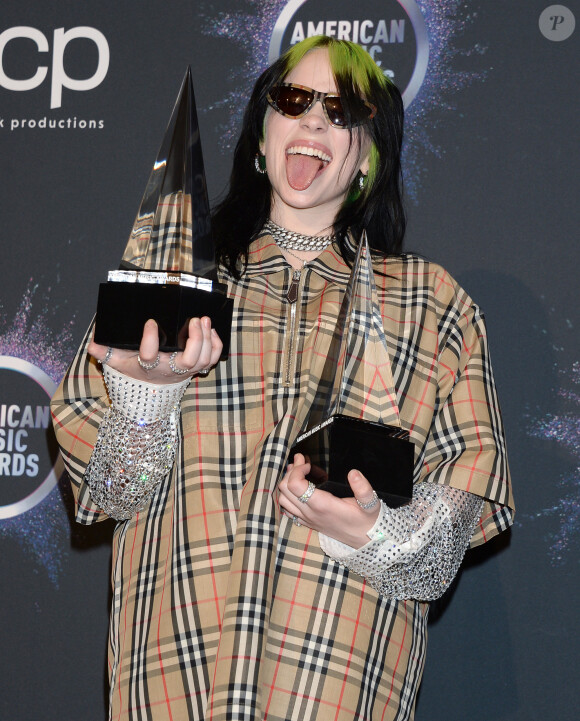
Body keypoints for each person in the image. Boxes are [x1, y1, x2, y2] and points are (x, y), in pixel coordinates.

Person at [51, 36, 514, 721]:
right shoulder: (170, 277)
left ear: (368, 159)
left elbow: (451, 534)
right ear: (262, 138)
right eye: (294, 100)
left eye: (344, 110)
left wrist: (376, 534)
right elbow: (105, 493)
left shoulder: (432, 304)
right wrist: (146, 396)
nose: (315, 120)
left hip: (335, 691)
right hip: (172, 688)